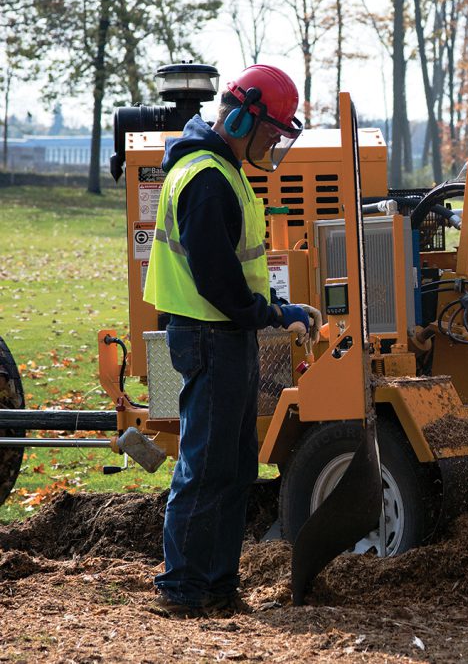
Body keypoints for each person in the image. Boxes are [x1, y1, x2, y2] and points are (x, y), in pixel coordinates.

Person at [143, 64, 320, 617]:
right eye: (271, 132)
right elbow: (218, 281)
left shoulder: (225, 169)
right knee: (206, 464)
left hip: (223, 334)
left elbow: (238, 268)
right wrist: (271, 316)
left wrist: (275, 307)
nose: (272, 142)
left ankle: (217, 584)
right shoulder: (207, 178)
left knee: (235, 464)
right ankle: (186, 588)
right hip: (208, 335)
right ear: (243, 116)